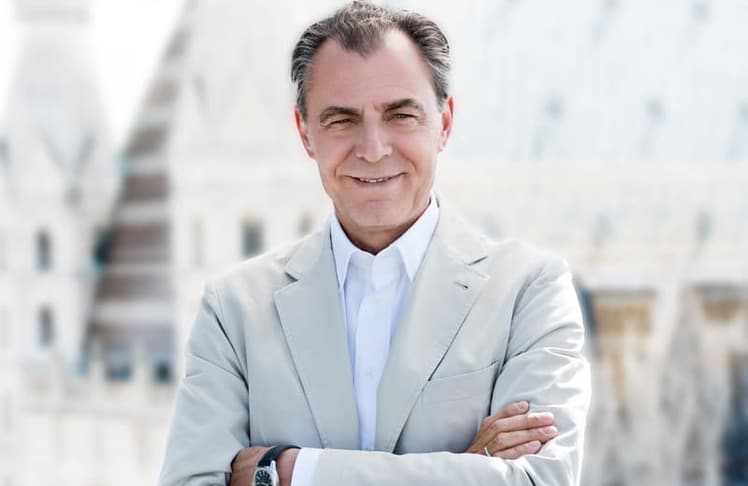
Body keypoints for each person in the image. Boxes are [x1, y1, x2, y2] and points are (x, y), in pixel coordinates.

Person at [158, 2, 590, 485]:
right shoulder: (233, 310)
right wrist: (468, 465)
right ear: (305, 133)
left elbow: (538, 481)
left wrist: (293, 471)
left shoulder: (529, 292)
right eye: (341, 120)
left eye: (400, 115)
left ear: (445, 123)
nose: (373, 148)